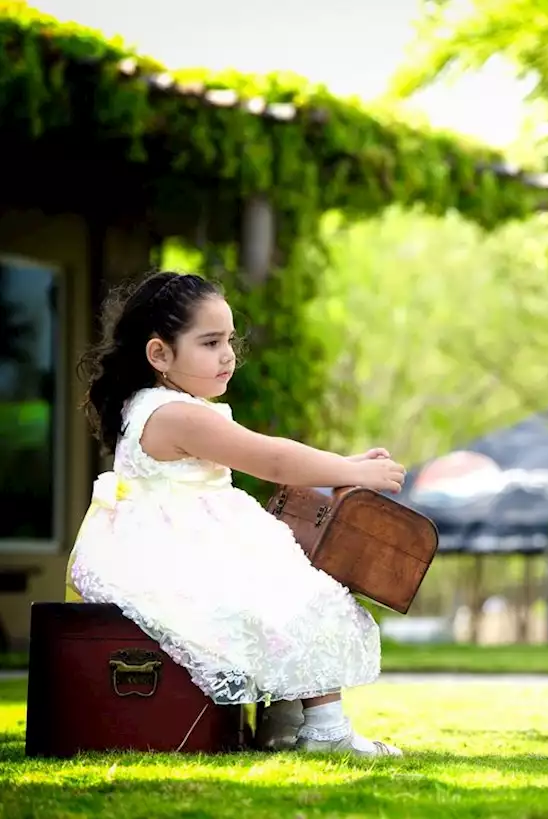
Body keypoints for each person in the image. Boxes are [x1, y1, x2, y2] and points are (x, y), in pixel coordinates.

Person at [67, 270, 407, 757]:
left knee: (285, 588)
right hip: (171, 546)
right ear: (160, 354)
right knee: (298, 592)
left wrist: (348, 465)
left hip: (176, 535)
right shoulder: (175, 414)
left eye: (229, 339)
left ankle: (285, 722)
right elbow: (269, 458)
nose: (227, 354)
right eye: (209, 343)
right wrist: (349, 471)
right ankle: (324, 729)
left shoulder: (164, 405)